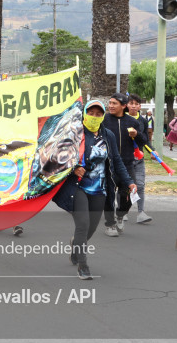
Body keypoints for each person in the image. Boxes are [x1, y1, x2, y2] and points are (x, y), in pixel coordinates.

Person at [53, 100, 136, 280]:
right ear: (84, 113)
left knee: (90, 228)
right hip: (77, 186)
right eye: (91, 113)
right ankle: (83, 265)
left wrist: (129, 182)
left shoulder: (108, 136)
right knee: (82, 224)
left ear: (103, 115)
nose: (95, 117)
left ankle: (76, 245)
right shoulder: (75, 133)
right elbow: (58, 156)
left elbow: (116, 160)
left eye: (99, 114)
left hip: (100, 189)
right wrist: (73, 168)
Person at [102, 93, 148, 236]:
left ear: (123, 106)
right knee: (108, 195)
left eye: (114, 103)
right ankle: (110, 224)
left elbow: (143, 142)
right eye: (110, 103)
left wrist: (136, 135)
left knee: (129, 193)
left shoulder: (132, 122)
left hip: (127, 164)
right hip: (108, 164)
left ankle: (121, 215)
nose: (110, 106)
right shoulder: (103, 120)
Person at [125, 93, 152, 224]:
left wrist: (152, 150)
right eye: (131, 103)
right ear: (126, 105)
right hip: (124, 158)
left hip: (139, 158)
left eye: (136, 104)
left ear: (140, 106)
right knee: (124, 186)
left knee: (140, 185)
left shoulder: (143, 121)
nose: (134, 106)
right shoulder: (121, 119)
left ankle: (141, 212)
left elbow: (146, 140)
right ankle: (122, 212)